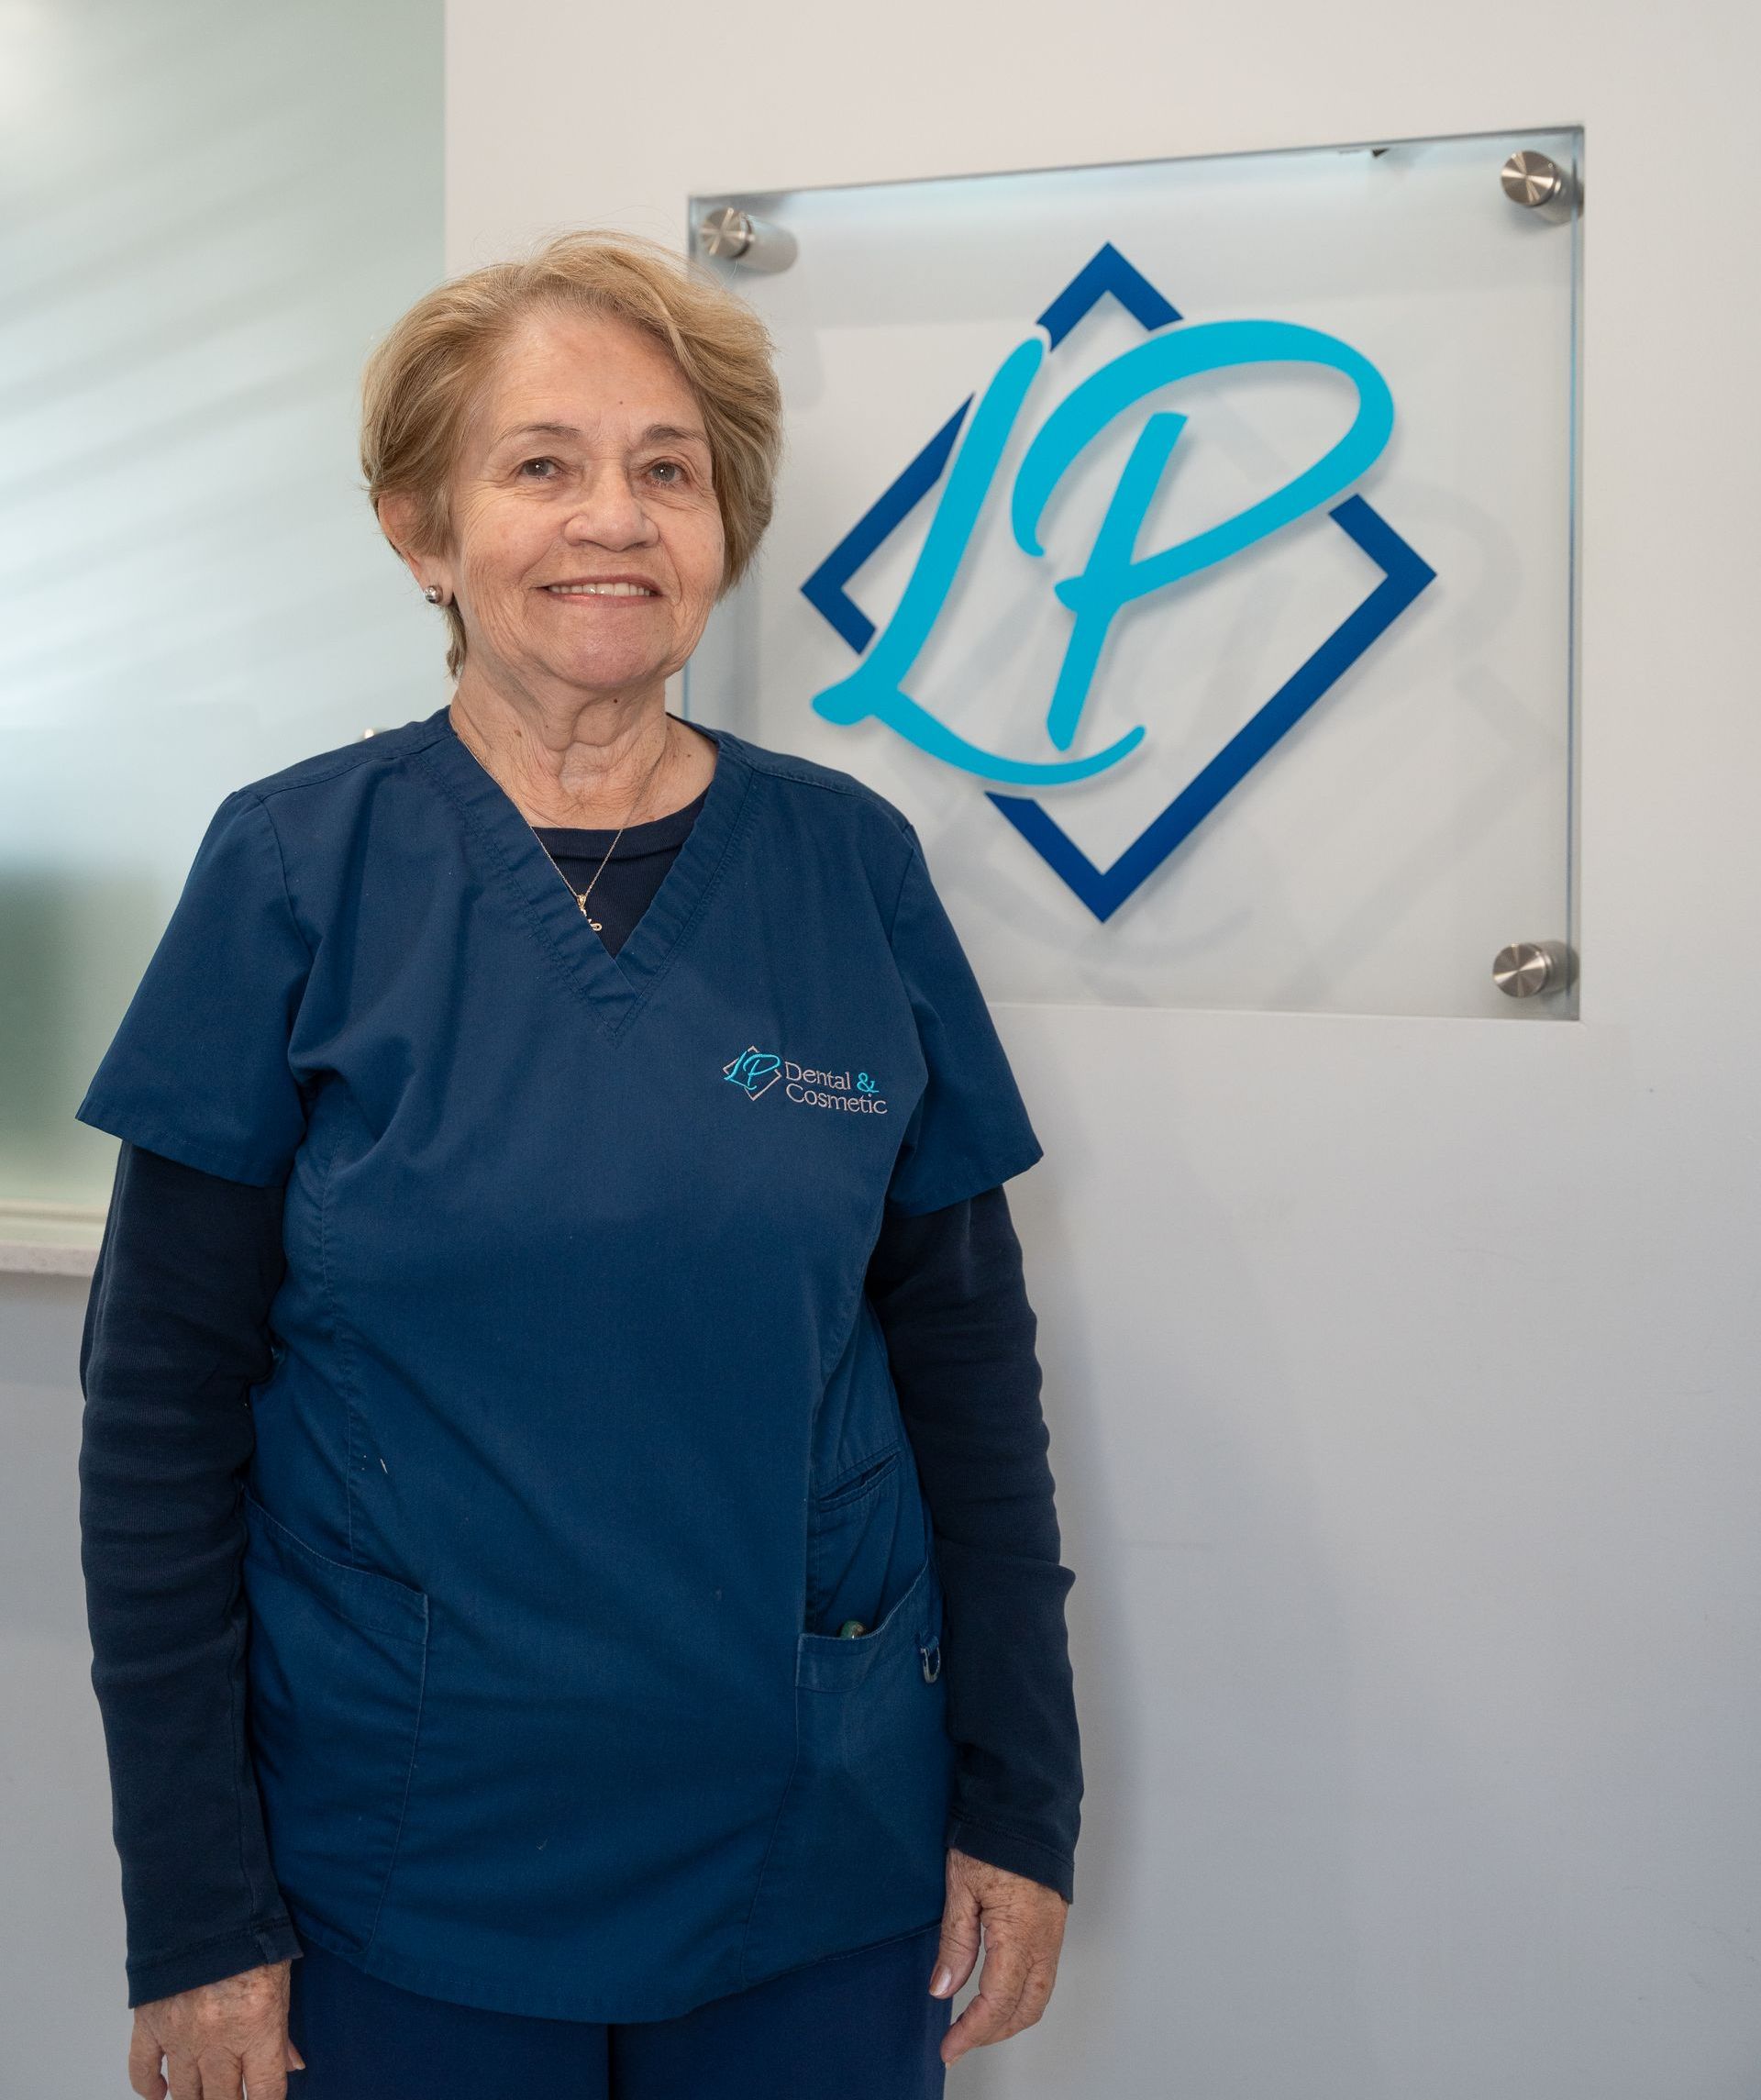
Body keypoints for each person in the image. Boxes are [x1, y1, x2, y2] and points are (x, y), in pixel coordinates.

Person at [75, 229, 1081, 2100]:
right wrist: (199, 1914)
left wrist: (1021, 1798)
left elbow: (968, 1374)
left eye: (667, 467)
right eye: (539, 464)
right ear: (420, 528)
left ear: (726, 521)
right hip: (408, 1859)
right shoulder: (296, 871)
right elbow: (156, 1427)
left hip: (820, 1836)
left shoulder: (847, 867)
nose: (609, 518)